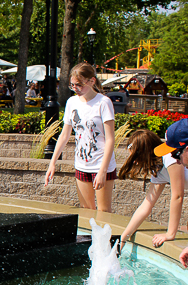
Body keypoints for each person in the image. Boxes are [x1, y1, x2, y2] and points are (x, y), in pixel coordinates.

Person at [45, 62, 116, 212]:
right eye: (72, 85)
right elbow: (64, 135)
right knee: (86, 210)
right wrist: (52, 162)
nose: (76, 89)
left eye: (79, 85)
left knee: (103, 211)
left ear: (92, 81)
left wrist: (103, 171)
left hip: (101, 165)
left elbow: (110, 139)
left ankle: (104, 236)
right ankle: (88, 237)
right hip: (82, 164)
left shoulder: (103, 103)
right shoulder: (72, 102)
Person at [118, 128, 188, 251]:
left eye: (135, 156)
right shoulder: (158, 169)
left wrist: (170, 234)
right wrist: (123, 238)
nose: (134, 161)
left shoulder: (170, 157)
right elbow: (147, 205)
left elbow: (178, 196)